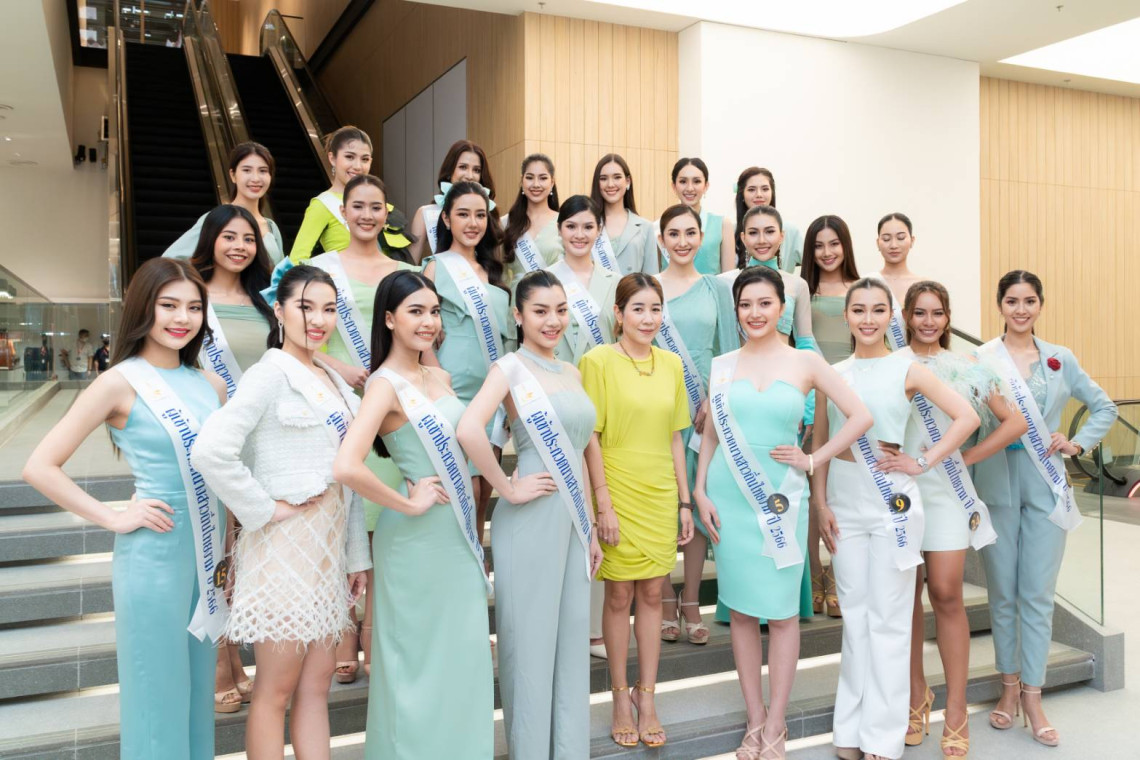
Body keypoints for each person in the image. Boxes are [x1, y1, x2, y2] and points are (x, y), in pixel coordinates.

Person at [23, 258, 228, 759]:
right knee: (157, 697)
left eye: (194, 307)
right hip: (153, 558)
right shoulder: (119, 382)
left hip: (206, 559)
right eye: (169, 305)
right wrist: (113, 516)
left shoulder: (211, 384)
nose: (182, 318)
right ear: (143, 308)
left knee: (196, 698)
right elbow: (39, 466)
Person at [192, 265, 370, 759]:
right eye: (305, 307)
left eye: (329, 309)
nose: (318, 319)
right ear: (279, 309)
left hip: (327, 558)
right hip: (281, 556)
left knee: (316, 687)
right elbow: (210, 451)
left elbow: (349, 477)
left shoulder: (333, 382)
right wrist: (265, 508)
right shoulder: (268, 375)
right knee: (275, 691)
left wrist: (356, 556)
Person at [694, 266, 872, 760]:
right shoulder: (722, 365)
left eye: (764, 303)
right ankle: (754, 718)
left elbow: (860, 415)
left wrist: (814, 460)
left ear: (782, 307)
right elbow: (710, 433)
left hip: (782, 500)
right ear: (736, 310)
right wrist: (700, 488)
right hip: (729, 499)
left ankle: (777, 723)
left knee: (783, 613)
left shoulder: (806, 362)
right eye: (745, 304)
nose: (755, 313)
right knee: (741, 612)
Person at [812, 277, 979, 760]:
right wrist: (820, 503)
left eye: (877, 310)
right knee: (856, 620)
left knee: (888, 620)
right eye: (858, 310)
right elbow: (820, 442)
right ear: (845, 316)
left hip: (893, 504)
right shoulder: (832, 373)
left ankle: (882, 738)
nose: (868, 319)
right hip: (844, 502)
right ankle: (850, 731)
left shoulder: (907, 369)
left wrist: (921, 462)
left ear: (891, 316)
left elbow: (966, 417)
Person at [334, 270, 492, 760]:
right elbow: (345, 465)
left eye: (434, 311)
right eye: (415, 311)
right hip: (413, 542)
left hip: (454, 535)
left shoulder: (439, 377)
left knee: (460, 655)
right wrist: (405, 502)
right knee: (415, 662)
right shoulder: (383, 386)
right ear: (389, 319)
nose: (429, 321)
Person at [458, 269, 604, 759]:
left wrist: (592, 526)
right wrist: (507, 487)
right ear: (518, 315)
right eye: (540, 311)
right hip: (530, 521)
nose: (553, 320)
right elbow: (469, 429)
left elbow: (583, 449)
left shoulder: (572, 371)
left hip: (573, 523)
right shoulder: (509, 369)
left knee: (569, 649)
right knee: (531, 651)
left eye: (560, 310)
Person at [975, 270, 1116, 749]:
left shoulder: (1061, 358)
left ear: (1040, 305)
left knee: (1037, 594)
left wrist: (1076, 443)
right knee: (1002, 595)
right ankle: (1008, 688)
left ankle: (1033, 697)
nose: (1021, 309)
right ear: (1000, 305)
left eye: (1029, 301)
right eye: (1012, 301)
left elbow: (1104, 407)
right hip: (995, 482)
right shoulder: (981, 360)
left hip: (1047, 485)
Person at [897, 280, 1027, 758]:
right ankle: (917, 696)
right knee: (906, 597)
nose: (928, 321)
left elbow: (1015, 421)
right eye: (920, 312)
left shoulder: (968, 367)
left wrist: (966, 458)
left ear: (948, 318)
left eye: (937, 313)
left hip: (947, 490)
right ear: (906, 316)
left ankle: (955, 709)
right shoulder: (893, 364)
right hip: (901, 491)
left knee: (946, 591)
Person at [305, 174, 419, 681]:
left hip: (392, 412)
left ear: (385, 213)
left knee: (381, 531)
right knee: (342, 524)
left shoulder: (406, 271)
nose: (367, 215)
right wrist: (341, 369)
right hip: (338, 405)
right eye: (358, 206)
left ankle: (373, 636)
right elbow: (303, 339)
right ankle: (343, 635)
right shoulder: (321, 270)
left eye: (376, 207)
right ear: (343, 212)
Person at [580, 273, 695, 749]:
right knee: (618, 597)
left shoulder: (671, 364)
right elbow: (589, 438)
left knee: (652, 593)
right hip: (616, 488)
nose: (648, 319)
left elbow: (675, 437)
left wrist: (684, 501)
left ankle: (647, 698)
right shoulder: (597, 361)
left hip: (660, 491)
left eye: (655, 309)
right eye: (638, 309)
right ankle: (619, 698)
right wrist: (601, 504)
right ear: (618, 313)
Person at [185, 203, 275, 712]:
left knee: (245, 553)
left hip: (260, 441)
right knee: (218, 548)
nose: (240, 247)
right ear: (211, 241)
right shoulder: (192, 296)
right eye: (229, 237)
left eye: (248, 239)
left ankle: (237, 655)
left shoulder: (265, 298)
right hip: (214, 435)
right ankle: (221, 661)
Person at [652, 205, 736, 645]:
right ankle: (665, 599)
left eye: (690, 233)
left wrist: (714, 400)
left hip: (703, 410)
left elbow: (730, 350)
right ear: (661, 240)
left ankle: (690, 600)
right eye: (673, 233)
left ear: (701, 238)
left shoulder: (716, 287)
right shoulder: (649, 287)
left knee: (698, 504)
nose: (682, 241)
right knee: (664, 502)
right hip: (656, 406)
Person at [422, 181, 515, 548]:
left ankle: (474, 560)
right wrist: (436, 380)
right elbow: (420, 333)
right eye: (463, 214)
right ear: (446, 219)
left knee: (483, 493)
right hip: (451, 391)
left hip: (491, 395)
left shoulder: (495, 273)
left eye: (480, 215)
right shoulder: (435, 267)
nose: (473, 223)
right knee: (463, 486)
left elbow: (508, 341)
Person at [799, 214, 861, 616]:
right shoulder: (801, 290)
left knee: (840, 491)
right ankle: (814, 573)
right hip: (811, 399)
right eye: (819, 245)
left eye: (834, 243)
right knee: (811, 493)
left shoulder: (861, 290)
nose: (827, 252)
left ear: (845, 245)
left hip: (851, 399)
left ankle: (838, 573)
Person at [288, 126, 412, 264]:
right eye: (349, 157)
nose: (358, 166)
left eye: (364, 159)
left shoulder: (378, 202)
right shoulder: (322, 204)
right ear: (332, 158)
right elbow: (296, 260)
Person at [164, 142, 286, 264]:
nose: (255, 178)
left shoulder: (271, 227)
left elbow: (281, 273)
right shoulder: (216, 219)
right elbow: (170, 259)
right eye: (247, 170)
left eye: (263, 171)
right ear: (233, 175)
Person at [543, 195, 618, 365]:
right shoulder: (542, 280)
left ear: (599, 230)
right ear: (559, 229)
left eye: (588, 227)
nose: (579, 235)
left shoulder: (615, 283)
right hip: (555, 376)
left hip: (602, 377)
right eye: (571, 226)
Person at [406, 139, 497, 264]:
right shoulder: (426, 214)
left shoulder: (489, 213)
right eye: (463, 167)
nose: (470, 176)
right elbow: (411, 265)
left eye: (476, 170)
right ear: (449, 171)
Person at [658, 157, 731, 275]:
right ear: (674, 186)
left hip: (711, 287)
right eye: (683, 182)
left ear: (706, 186)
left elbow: (728, 277)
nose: (690, 188)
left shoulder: (722, 224)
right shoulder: (658, 226)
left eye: (696, 181)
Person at [589, 153, 659, 275]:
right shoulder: (587, 225)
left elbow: (651, 278)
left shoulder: (645, 227)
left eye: (617, 177)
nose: (610, 184)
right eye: (603, 178)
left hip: (633, 288)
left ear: (627, 181)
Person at [502, 154, 562, 282]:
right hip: (515, 294)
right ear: (522, 181)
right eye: (529, 178)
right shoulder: (505, 223)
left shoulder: (564, 222)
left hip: (553, 293)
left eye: (543, 178)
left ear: (552, 182)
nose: (536, 184)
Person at [731, 167, 804, 273]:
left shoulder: (790, 231)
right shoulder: (730, 231)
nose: (759, 194)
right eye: (751, 189)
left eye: (765, 189)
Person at [873, 213, 924, 351]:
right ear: (878, 243)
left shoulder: (924, 286)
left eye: (901, 238)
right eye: (886, 239)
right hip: (875, 360)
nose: (893, 245)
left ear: (912, 240)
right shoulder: (867, 284)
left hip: (916, 360)